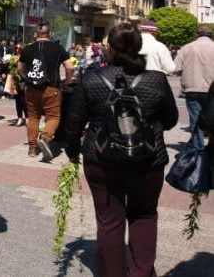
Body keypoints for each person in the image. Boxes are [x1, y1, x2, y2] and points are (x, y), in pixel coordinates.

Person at [64, 23, 178, 277]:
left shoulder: (92, 78)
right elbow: (171, 119)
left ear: (110, 48)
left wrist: (72, 151)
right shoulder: (156, 80)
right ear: (138, 46)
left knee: (109, 220)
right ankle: (141, 271)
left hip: (101, 157)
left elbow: (74, 121)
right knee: (144, 215)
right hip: (147, 158)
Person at [18, 23, 74, 160]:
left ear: (36, 34)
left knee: (33, 117)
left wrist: (27, 78)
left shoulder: (27, 49)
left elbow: (20, 68)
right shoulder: (57, 48)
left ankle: (32, 148)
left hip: (31, 88)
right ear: (50, 34)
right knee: (53, 117)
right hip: (51, 87)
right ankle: (45, 137)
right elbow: (70, 67)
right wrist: (67, 81)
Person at [174, 25, 214, 144]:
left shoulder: (187, 48)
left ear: (197, 34)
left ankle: (197, 147)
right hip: (211, 88)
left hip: (192, 87)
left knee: (195, 118)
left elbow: (176, 68)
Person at [8, 42, 28, 127]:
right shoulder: (13, 57)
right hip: (15, 80)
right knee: (17, 100)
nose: (17, 50)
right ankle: (20, 117)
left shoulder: (26, 57)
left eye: (19, 48)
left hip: (23, 79)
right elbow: (10, 68)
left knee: (24, 100)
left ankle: (27, 117)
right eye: (16, 48)